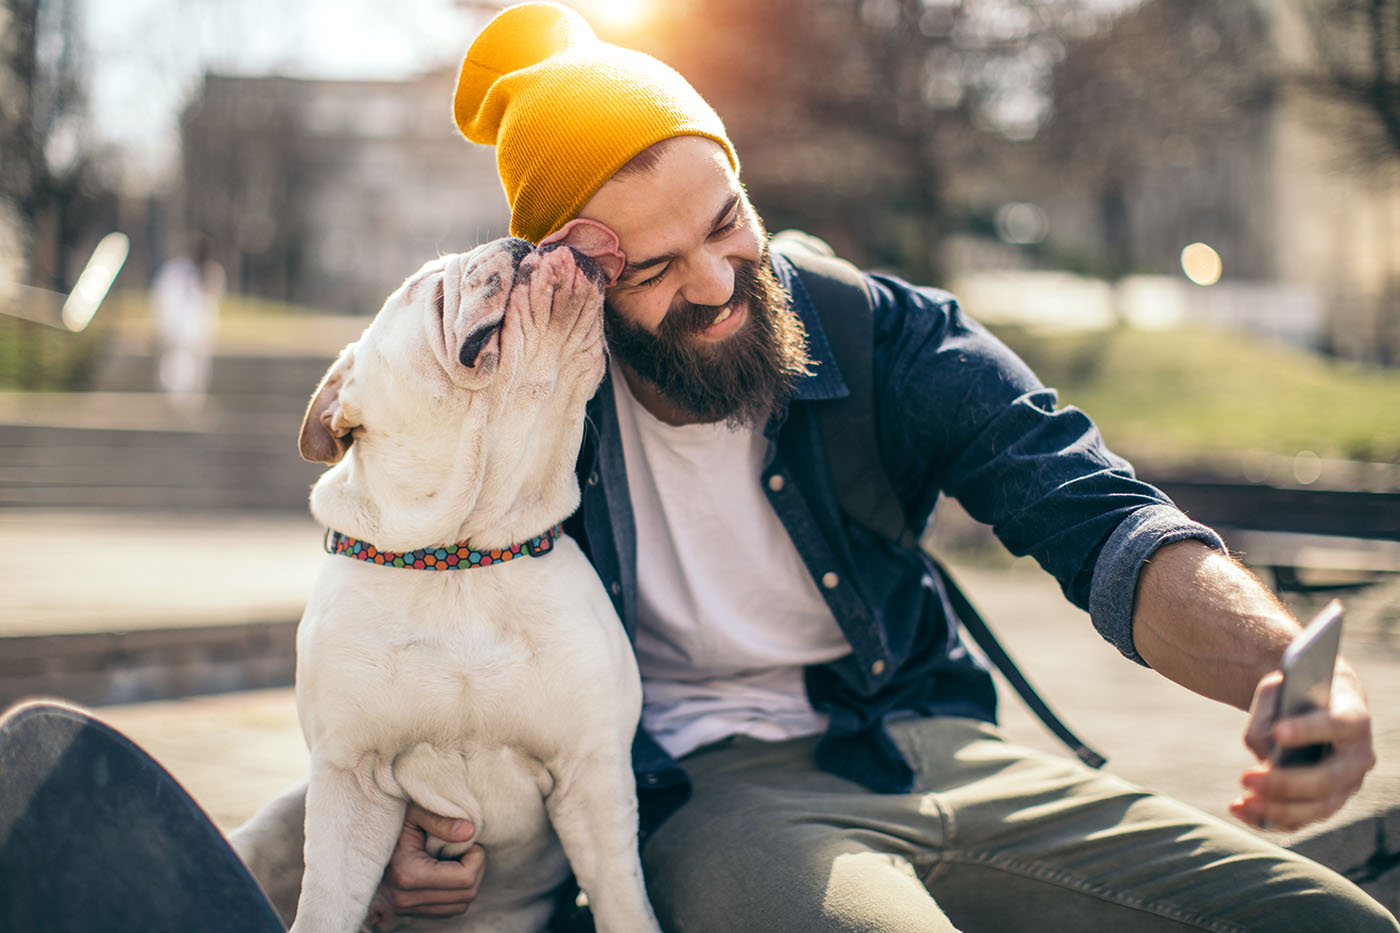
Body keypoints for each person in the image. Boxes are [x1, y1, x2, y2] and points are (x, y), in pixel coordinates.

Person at [230, 3, 1397, 930]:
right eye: (652, 268)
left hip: (928, 741)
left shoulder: (874, 331)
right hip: (714, 798)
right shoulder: (527, 424)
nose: (715, 281)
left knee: (1323, 920)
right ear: (575, 277)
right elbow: (409, 655)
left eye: (724, 221)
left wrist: (1283, 672)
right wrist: (406, 856)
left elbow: (1091, 510)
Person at [152, 234, 223, 412]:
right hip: (177, 330)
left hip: (199, 332)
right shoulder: (176, 271)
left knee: (197, 373)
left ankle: (192, 407)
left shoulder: (212, 272)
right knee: (174, 370)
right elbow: (163, 298)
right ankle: (173, 406)